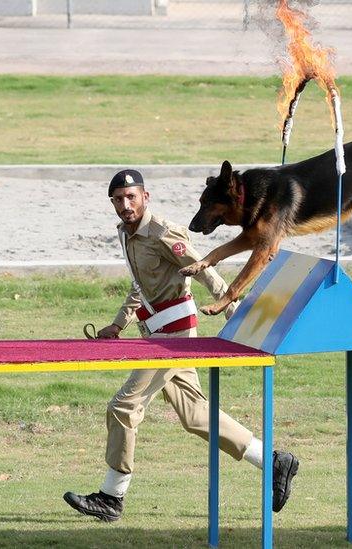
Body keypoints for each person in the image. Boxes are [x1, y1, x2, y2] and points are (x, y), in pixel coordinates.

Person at [64, 169, 299, 522]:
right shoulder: (128, 233)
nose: (125, 205)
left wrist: (235, 314)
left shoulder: (162, 233)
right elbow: (140, 284)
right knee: (196, 415)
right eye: (118, 199)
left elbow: (204, 270)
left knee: (123, 408)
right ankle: (274, 460)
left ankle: (112, 496)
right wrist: (118, 324)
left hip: (173, 337)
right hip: (156, 332)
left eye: (131, 197)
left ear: (146, 197)